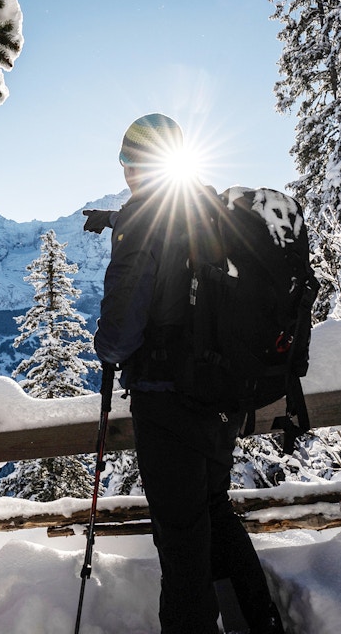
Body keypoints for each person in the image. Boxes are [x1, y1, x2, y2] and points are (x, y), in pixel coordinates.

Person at [88, 114, 286, 634]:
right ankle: (258, 626)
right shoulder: (207, 207)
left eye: (130, 161)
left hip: (167, 401)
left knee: (181, 545)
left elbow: (122, 327)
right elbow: (177, 246)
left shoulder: (144, 220)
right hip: (220, 397)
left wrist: (104, 347)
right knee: (214, 516)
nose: (128, 172)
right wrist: (114, 220)